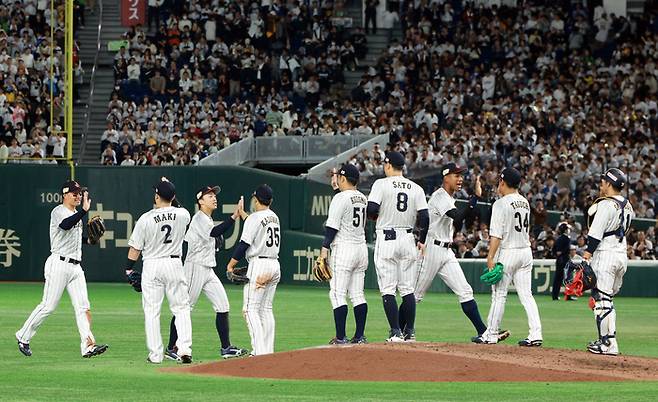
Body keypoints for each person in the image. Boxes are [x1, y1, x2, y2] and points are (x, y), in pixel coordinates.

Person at [414, 164, 508, 342]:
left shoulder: (450, 199)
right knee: (415, 296)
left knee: (465, 291)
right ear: (445, 177)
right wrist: (475, 197)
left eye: (461, 175)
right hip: (431, 249)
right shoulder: (440, 196)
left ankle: (484, 332)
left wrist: (474, 201)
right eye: (456, 175)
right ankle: (400, 332)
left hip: (446, 251)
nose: (460, 178)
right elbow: (458, 217)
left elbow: (463, 219)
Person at [16, 181, 108, 358]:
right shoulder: (58, 211)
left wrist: (90, 240)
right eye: (74, 193)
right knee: (48, 306)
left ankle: (88, 345)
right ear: (64, 195)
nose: (78, 196)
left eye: (79, 193)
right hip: (58, 264)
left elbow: (75, 237)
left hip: (75, 267)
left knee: (83, 307)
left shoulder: (75, 214)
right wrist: (83, 211)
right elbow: (65, 225)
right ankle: (23, 336)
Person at [165, 186, 248, 361]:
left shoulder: (207, 219)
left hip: (207, 269)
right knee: (184, 308)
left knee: (223, 305)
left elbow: (214, 234)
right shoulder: (199, 218)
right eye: (209, 196)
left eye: (214, 195)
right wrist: (235, 215)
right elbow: (215, 232)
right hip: (194, 267)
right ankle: (171, 347)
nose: (214, 198)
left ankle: (226, 348)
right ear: (200, 201)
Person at [125, 177, 193, 364]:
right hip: (174, 264)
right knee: (181, 308)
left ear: (156, 196)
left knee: (152, 312)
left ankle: (156, 355)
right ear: (173, 197)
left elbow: (135, 249)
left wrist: (129, 270)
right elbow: (177, 206)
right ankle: (185, 350)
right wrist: (171, 192)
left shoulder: (146, 218)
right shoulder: (183, 214)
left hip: (152, 265)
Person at [474, 168, 543, 347]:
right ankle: (536, 334)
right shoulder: (525, 202)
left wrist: (490, 257)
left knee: (499, 294)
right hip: (525, 252)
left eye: (499, 181)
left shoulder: (501, 203)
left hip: (509, 252)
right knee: (527, 295)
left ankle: (490, 334)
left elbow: (496, 235)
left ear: (503, 182)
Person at [366, 151, 429, 342]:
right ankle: (409, 331)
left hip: (387, 238)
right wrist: (422, 240)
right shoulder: (416, 188)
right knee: (407, 289)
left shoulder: (381, 184)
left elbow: (371, 210)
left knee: (388, 289)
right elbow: (425, 217)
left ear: (388, 165)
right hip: (408, 238)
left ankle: (395, 332)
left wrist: (379, 216)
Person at [583, 168, 635, 355]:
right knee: (603, 300)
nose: (601, 184)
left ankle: (609, 343)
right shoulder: (628, 205)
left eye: (604, 181)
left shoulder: (605, 205)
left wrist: (586, 256)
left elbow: (595, 235)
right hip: (621, 255)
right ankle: (604, 340)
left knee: (603, 301)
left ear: (609, 184)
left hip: (606, 255)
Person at [226, 184, 281, 356]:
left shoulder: (254, 218)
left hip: (259, 265)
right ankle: (267, 351)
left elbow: (244, 245)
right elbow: (258, 227)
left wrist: (230, 265)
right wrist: (244, 215)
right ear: (270, 200)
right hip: (274, 265)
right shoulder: (274, 216)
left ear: (256, 200)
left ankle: (258, 352)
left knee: (250, 309)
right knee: (266, 309)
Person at [322, 164, 369, 344]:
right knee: (357, 294)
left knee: (337, 294)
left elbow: (332, 227)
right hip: (361, 248)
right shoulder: (362, 198)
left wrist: (324, 249)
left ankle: (341, 337)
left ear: (342, 178)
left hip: (344, 249)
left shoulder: (340, 198)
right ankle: (359, 336)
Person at [551, 222, 573, 300]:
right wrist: (562, 253)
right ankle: (568, 295)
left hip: (559, 260)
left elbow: (553, 250)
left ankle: (555, 295)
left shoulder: (558, 239)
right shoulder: (567, 239)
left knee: (557, 278)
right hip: (565, 260)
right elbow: (567, 249)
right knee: (568, 278)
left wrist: (557, 254)